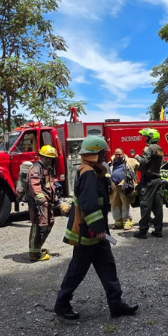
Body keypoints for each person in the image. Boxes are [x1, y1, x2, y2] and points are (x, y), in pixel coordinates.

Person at [54, 135, 138, 320]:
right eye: (102, 153)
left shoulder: (94, 170)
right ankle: (61, 304)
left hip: (97, 231)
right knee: (77, 270)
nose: (105, 156)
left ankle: (116, 305)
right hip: (88, 231)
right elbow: (90, 205)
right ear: (94, 154)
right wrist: (98, 229)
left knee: (108, 268)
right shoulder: (88, 173)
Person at [28, 145, 60, 262]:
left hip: (47, 203)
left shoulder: (47, 169)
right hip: (38, 204)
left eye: (51, 158)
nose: (49, 160)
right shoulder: (36, 169)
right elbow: (35, 186)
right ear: (42, 156)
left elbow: (49, 185)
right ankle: (34, 253)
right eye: (47, 158)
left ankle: (38, 248)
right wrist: (42, 200)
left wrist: (55, 197)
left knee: (49, 223)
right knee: (39, 226)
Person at [133, 128, 165, 239]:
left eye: (146, 137)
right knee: (158, 206)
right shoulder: (159, 148)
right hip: (157, 179)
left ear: (151, 137)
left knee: (145, 205)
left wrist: (137, 157)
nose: (145, 139)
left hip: (149, 180)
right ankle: (158, 230)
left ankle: (142, 231)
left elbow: (144, 161)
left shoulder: (148, 148)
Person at [109, 148, 138, 231]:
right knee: (114, 205)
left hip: (124, 186)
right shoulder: (111, 163)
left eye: (119, 154)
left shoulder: (130, 161)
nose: (118, 156)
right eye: (116, 154)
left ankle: (127, 222)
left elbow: (140, 165)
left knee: (125, 205)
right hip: (114, 187)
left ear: (123, 154)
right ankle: (118, 222)